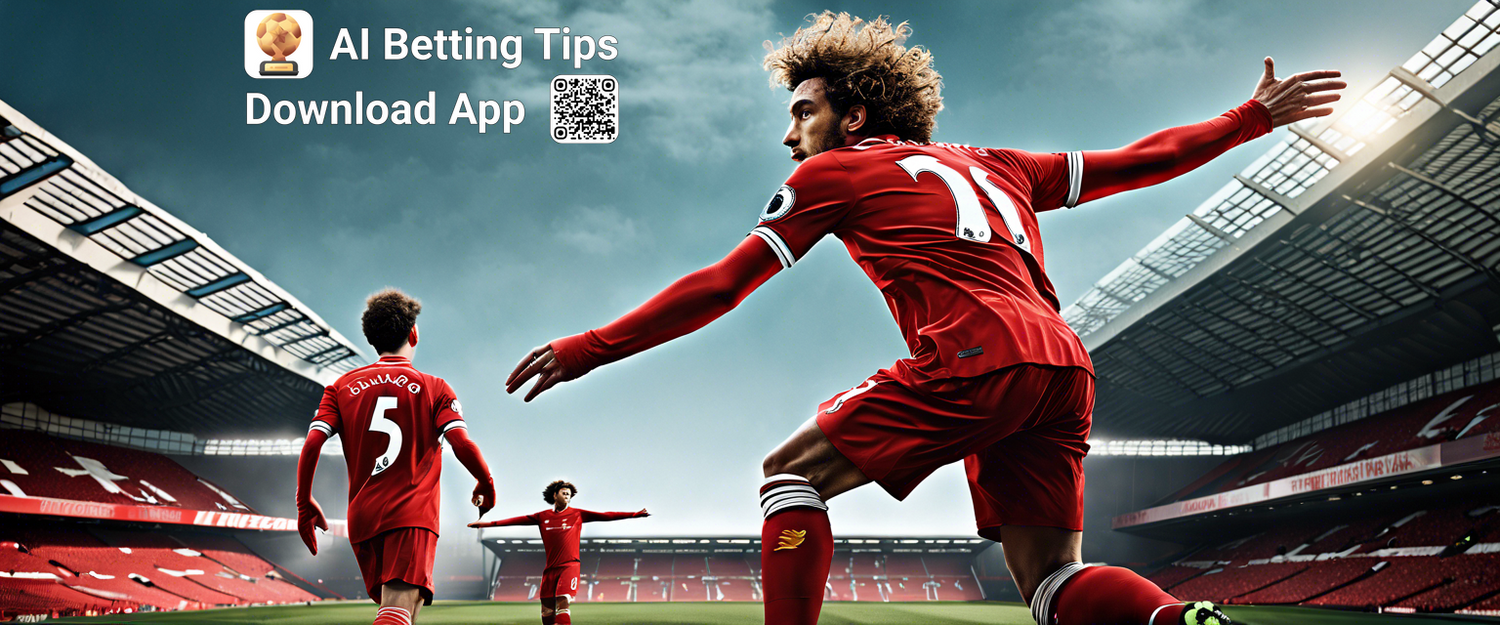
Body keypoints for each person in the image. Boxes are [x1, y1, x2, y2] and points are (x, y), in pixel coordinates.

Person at [504, 12, 1343, 625]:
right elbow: (1138, 162)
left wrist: (590, 347)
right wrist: (1251, 118)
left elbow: (725, 284)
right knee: (1054, 581)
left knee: (790, 475)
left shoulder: (833, 175)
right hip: (1064, 365)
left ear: (854, 116)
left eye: (803, 111)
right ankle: (1171, 619)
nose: (790, 135)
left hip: (975, 353)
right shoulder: (998, 164)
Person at [296, 289, 497, 625]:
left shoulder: (340, 387)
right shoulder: (434, 387)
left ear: (372, 339)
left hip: (363, 518)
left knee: (404, 609)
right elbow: (460, 442)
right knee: (397, 610)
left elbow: (313, 442)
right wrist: (485, 481)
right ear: (413, 333)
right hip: (411, 513)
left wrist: (304, 501)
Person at [469, 481, 648, 624]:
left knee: (563, 600)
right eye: (564, 492)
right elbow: (514, 521)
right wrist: (486, 524)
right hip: (550, 569)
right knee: (546, 611)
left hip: (569, 566)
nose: (567, 495)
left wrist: (634, 514)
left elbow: (607, 515)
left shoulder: (577, 514)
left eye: (569, 493)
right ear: (555, 495)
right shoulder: (542, 516)